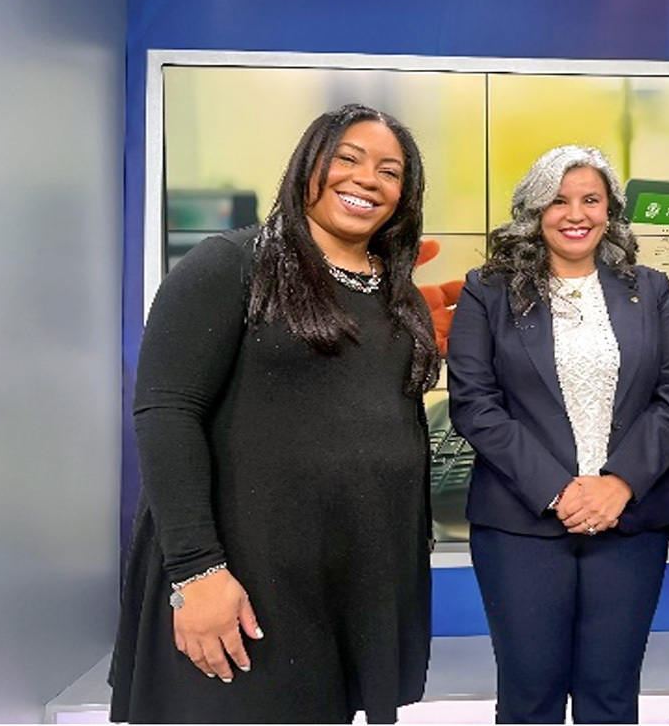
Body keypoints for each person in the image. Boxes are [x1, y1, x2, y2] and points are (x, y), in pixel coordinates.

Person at [110, 104, 440, 724]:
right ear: (307, 166)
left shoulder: (401, 299)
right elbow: (166, 413)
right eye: (347, 159)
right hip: (241, 583)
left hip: (352, 584)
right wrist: (197, 572)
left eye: (390, 171)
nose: (367, 179)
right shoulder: (231, 264)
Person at [447, 145, 669, 724]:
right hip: (520, 524)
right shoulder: (488, 290)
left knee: (611, 694)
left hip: (628, 522)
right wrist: (560, 490)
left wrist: (619, 484)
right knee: (530, 694)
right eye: (558, 201)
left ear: (610, 210)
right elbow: (475, 404)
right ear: (534, 209)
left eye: (591, 200)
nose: (575, 214)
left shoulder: (651, 289)